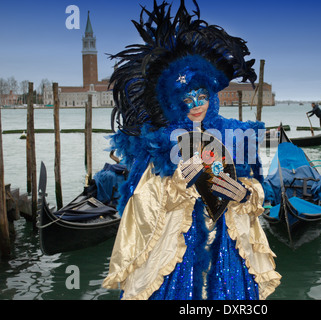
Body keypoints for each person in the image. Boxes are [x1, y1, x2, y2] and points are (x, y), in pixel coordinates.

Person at [102, 0, 281, 300]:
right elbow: (139, 203)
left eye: (202, 95)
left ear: (212, 94)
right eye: (188, 99)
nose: (197, 104)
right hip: (178, 251)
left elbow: (261, 190)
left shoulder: (238, 133)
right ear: (176, 102)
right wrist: (176, 185)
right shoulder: (161, 141)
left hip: (227, 248)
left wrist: (244, 194)